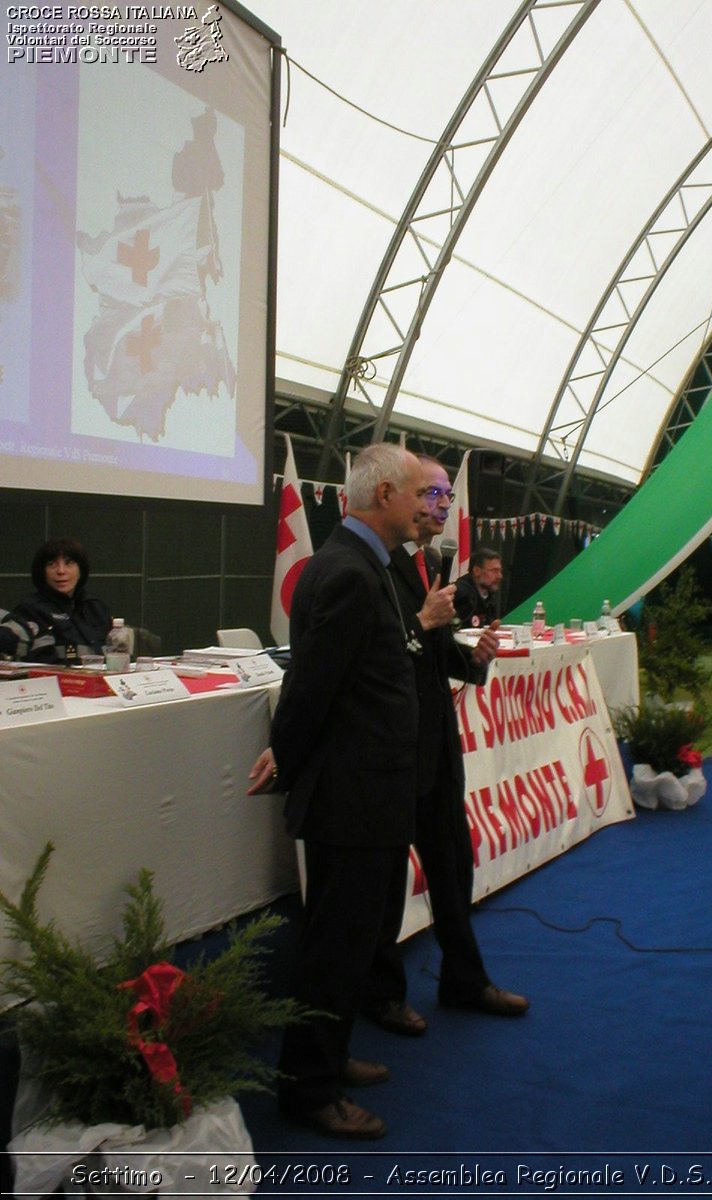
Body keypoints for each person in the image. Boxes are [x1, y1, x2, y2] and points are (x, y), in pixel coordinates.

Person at [246, 443, 437, 1141]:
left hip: (370, 794)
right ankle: (308, 1089)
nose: (427, 507)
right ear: (383, 492)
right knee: (333, 950)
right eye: (419, 493)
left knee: (352, 946)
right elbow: (311, 690)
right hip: (350, 799)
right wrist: (286, 760)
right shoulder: (351, 573)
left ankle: (328, 1057)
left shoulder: (366, 567)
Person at [364, 458, 529, 1037]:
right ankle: (382, 995)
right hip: (392, 749)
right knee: (385, 882)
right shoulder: (368, 564)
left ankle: (464, 979)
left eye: (445, 495)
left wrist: (469, 659)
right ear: (393, 496)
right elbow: (378, 652)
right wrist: (422, 621)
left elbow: (427, 653)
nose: (439, 506)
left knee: (453, 866)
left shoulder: (429, 561)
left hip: (436, 743)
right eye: (430, 494)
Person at [0, 538, 111, 664]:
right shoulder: (31, 609)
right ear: (42, 571)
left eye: (69, 563)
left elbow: (116, 652)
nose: (61, 571)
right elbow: (40, 662)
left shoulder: (96, 608)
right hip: (54, 681)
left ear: (81, 570)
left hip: (102, 679)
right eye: (52, 564)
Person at [453, 546, 503, 628]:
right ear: (476, 571)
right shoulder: (460, 594)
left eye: (500, 570)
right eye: (494, 571)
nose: (500, 576)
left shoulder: (489, 596)